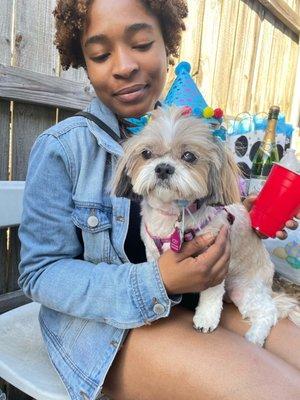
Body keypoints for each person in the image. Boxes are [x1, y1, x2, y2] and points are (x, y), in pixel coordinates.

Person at [18, 1, 300, 399]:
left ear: (166, 43)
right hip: (101, 325)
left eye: (141, 43)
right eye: (100, 54)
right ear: (83, 61)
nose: (124, 66)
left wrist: (240, 214)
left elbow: (210, 203)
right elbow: (38, 274)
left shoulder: (190, 124)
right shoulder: (63, 148)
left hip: (195, 301)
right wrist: (157, 281)